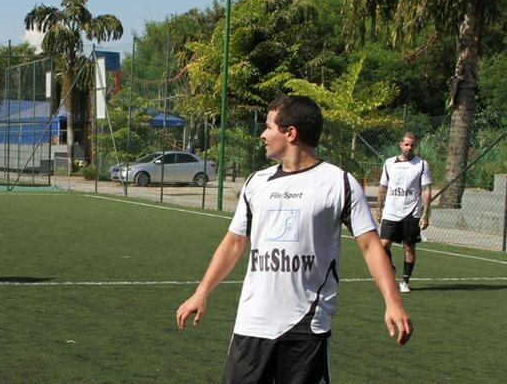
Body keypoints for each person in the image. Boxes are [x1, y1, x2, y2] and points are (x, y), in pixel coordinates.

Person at [176, 95, 412, 383]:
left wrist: (392, 300)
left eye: (269, 127)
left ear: (291, 133)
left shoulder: (339, 183)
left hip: (306, 325)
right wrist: (202, 292)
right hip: (253, 323)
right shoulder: (255, 183)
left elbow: (370, 246)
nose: (263, 134)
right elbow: (234, 242)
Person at [376, 131, 432, 293]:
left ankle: (405, 281)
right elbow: (382, 187)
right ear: (400, 145)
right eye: (406, 144)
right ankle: (390, 267)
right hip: (391, 212)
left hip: (411, 213)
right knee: (382, 245)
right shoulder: (389, 163)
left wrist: (425, 213)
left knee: (409, 247)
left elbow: (426, 189)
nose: (409, 147)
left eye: (412, 145)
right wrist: (378, 209)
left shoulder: (421, 165)